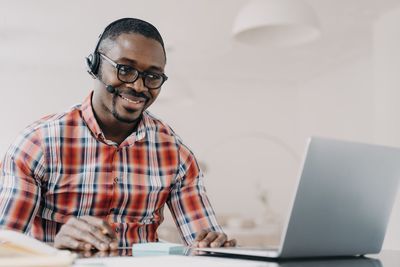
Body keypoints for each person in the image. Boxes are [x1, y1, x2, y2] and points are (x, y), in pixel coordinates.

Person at [0, 18, 236, 251]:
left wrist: (214, 246)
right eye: (125, 70)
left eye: (152, 76)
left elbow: (204, 246)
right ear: (94, 65)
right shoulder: (37, 145)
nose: (139, 87)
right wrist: (54, 247)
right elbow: (5, 248)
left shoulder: (176, 155)